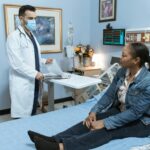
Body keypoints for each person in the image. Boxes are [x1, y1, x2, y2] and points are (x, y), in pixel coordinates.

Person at [28, 42, 150, 150]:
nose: (120, 58)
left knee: (108, 129)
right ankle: (54, 139)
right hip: (120, 111)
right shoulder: (122, 72)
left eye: (124, 55)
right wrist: (94, 111)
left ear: (136, 60)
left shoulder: (147, 81)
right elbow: (108, 94)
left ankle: (61, 147)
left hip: (142, 122)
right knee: (89, 122)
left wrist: (105, 122)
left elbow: (135, 113)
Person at [6, 5, 53, 118]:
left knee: (32, 111)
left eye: (35, 18)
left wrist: (45, 60)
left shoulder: (32, 36)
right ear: (21, 18)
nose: (34, 21)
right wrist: (35, 73)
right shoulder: (14, 37)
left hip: (34, 81)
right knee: (22, 116)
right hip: (23, 82)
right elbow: (16, 64)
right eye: (30, 18)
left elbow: (32, 56)